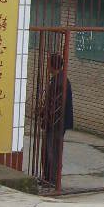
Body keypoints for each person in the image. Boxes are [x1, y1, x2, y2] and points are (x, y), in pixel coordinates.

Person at [40, 51, 73, 185]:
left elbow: (57, 105)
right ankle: (48, 177)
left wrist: (45, 114)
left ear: (53, 65)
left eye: (48, 63)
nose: (47, 66)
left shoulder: (60, 82)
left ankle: (52, 179)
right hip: (55, 122)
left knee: (52, 151)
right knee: (49, 150)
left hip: (56, 123)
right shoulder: (58, 79)